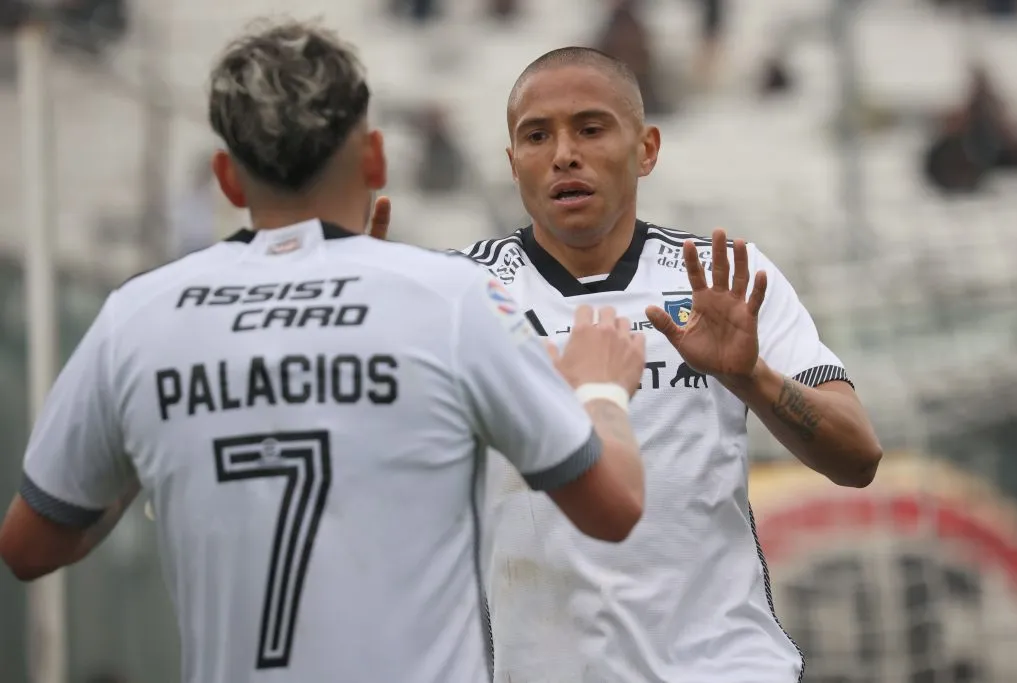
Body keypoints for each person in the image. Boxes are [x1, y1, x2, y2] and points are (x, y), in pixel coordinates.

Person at [0, 24, 651, 683]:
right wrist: (601, 392)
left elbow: (28, 545)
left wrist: (150, 450)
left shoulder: (137, 316)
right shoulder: (451, 300)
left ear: (227, 177)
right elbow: (614, 506)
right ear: (374, 158)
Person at [377, 46, 884, 682]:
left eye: (590, 128)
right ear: (513, 163)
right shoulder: (458, 295)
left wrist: (750, 377)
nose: (564, 152)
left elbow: (859, 456)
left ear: (646, 149)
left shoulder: (726, 280)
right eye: (537, 135)